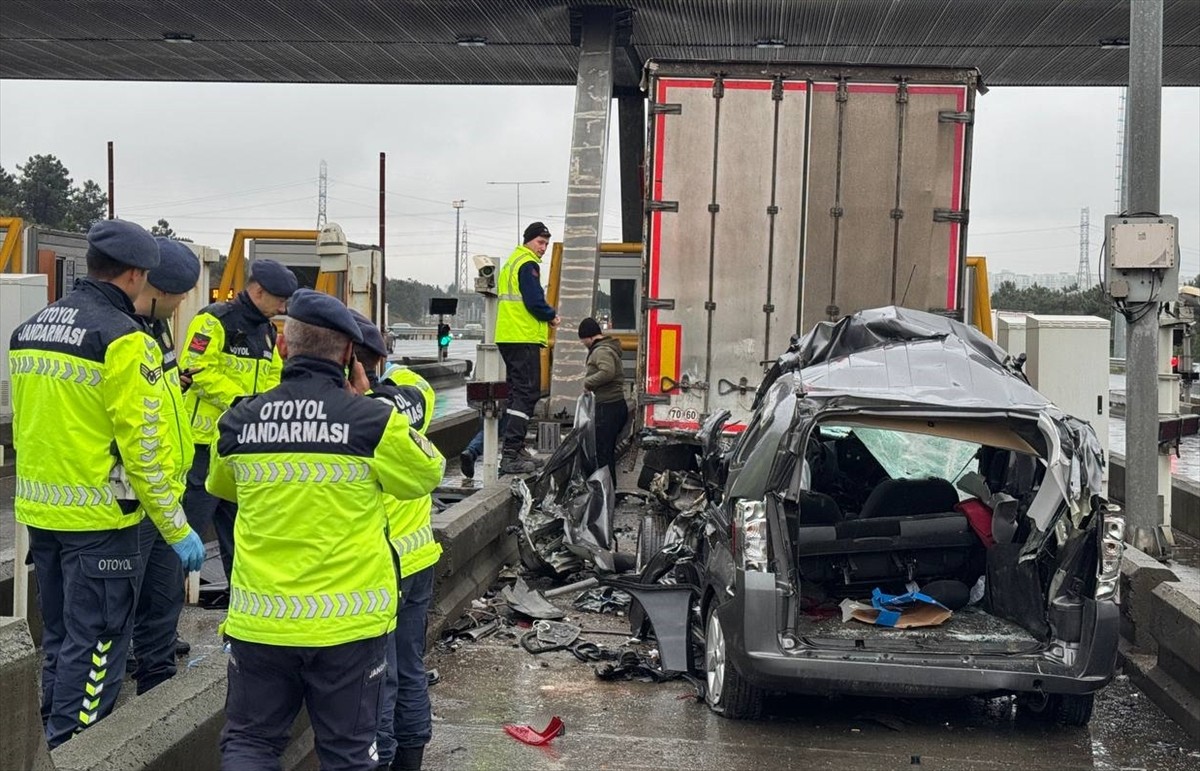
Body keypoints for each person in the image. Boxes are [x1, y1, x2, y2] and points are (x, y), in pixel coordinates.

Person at [209, 290, 445, 771]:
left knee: (251, 742)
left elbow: (223, 486)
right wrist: (374, 397)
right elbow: (427, 471)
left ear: (281, 346)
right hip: (348, 625)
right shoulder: (372, 420)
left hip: (262, 620)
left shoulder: (238, 420)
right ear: (347, 356)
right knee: (348, 752)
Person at [9, 220, 205, 748]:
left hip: (43, 516)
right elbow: (142, 452)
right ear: (138, 274)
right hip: (102, 521)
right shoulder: (123, 340)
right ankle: (77, 748)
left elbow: (31, 426)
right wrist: (177, 527)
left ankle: (50, 738)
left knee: (61, 640)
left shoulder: (30, 329)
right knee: (97, 646)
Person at [349, 313, 440, 771]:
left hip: (381, 564)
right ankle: (411, 755)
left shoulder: (361, 414)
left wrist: (359, 392)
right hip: (418, 554)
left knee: (378, 679)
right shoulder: (414, 389)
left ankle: (383, 760)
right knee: (410, 668)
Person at [179, 258, 297, 584]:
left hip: (241, 447)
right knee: (185, 531)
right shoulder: (214, 321)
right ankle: (159, 619)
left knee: (239, 533)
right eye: (279, 300)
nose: (282, 307)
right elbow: (197, 370)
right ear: (258, 291)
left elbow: (274, 376)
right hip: (204, 445)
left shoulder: (267, 332)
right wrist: (242, 404)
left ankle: (240, 603)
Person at [129, 237, 202, 695]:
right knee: (123, 607)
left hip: (166, 491)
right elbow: (136, 433)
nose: (178, 307)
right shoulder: (124, 334)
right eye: (176, 297)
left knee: (163, 598)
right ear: (155, 287)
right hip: (134, 497)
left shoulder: (158, 329)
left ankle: (155, 681)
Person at [493, 221, 560, 475]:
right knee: (527, 393)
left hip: (508, 336)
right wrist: (551, 315)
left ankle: (516, 448)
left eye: (546, 244)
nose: (543, 248)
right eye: (540, 242)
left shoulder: (512, 261)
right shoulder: (527, 264)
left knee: (515, 394)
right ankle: (511, 453)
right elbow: (534, 301)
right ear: (529, 240)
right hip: (522, 337)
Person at [578, 317, 628, 483]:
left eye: (583, 340)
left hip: (607, 407)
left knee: (603, 453)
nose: (583, 344)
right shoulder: (608, 348)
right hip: (615, 406)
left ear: (589, 337)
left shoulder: (601, 351)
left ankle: (606, 494)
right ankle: (608, 491)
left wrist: (588, 383)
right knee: (606, 451)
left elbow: (608, 372)